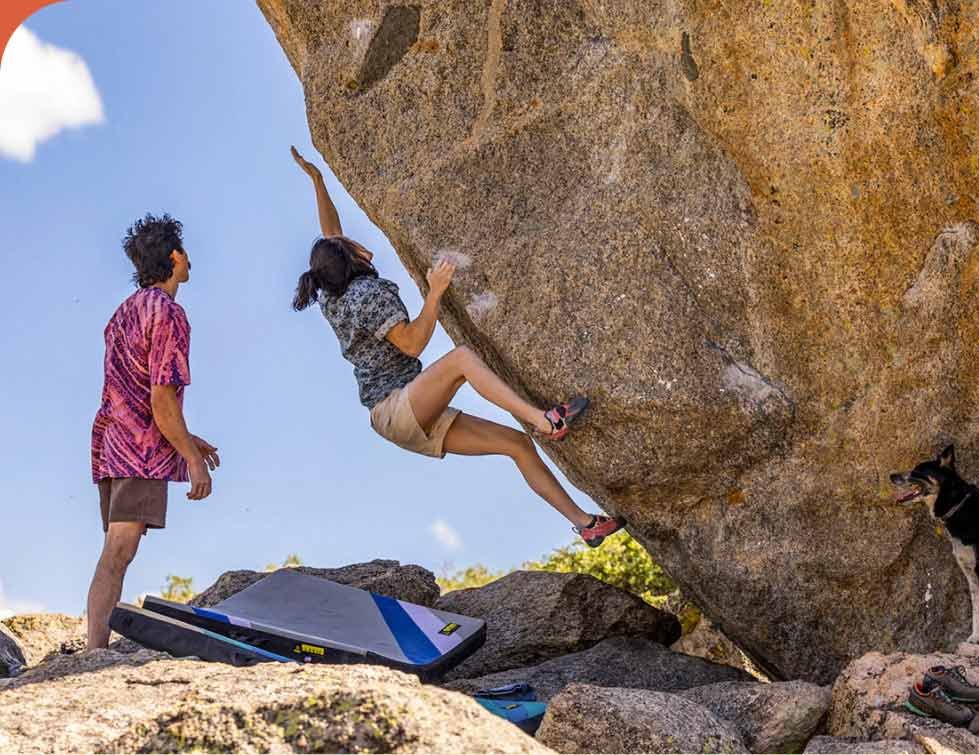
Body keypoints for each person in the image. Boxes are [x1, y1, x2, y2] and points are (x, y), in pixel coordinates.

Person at [289, 146, 624, 547]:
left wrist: (319, 182)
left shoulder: (332, 289)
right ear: (350, 259)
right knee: (462, 359)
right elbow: (412, 346)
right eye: (350, 245)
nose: (356, 243)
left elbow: (331, 235)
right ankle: (544, 420)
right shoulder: (365, 295)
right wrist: (435, 294)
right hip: (397, 408)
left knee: (515, 445)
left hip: (401, 416)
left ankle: (586, 525)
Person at [86, 214, 220, 649]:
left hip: (112, 444)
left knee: (117, 550)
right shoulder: (169, 313)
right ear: (175, 256)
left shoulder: (123, 312)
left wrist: (188, 439)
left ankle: (94, 648)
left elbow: (138, 392)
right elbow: (161, 398)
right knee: (119, 551)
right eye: (185, 253)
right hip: (137, 450)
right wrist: (193, 460)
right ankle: (93, 653)